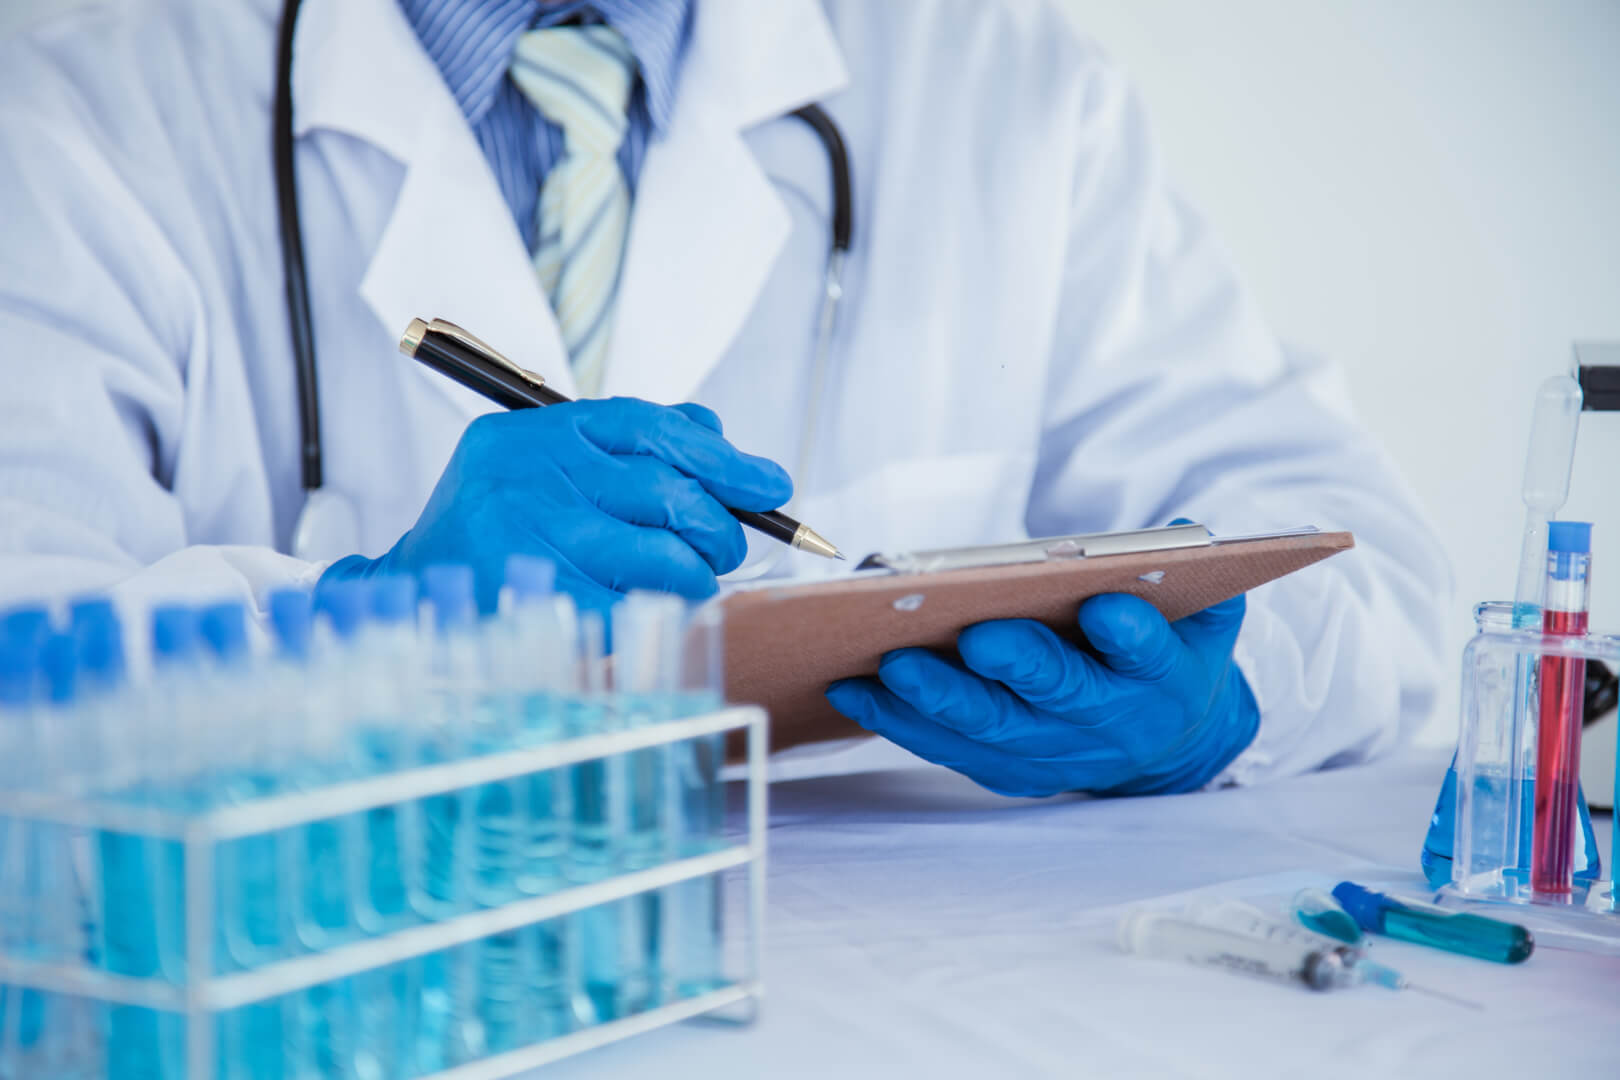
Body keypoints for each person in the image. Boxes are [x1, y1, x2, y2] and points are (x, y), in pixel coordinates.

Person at [0, 0, 1449, 796]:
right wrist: (351, 629)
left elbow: (1367, 567)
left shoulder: (1006, 84)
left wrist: (1236, 698)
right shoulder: (74, 109)